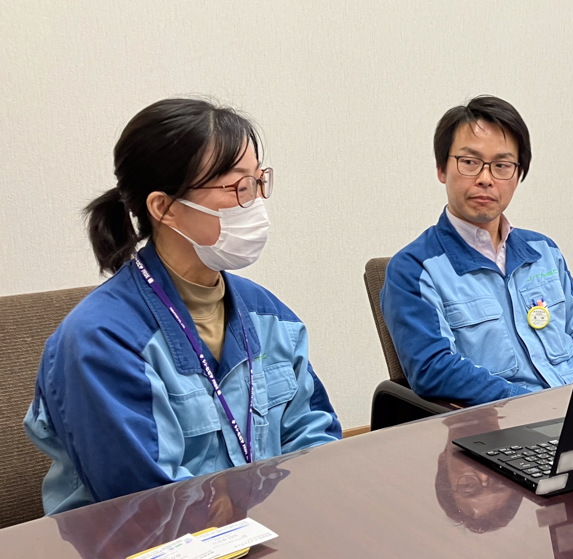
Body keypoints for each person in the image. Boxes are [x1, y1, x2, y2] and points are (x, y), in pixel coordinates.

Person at [24, 98, 341, 514]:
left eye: (257, 182)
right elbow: (147, 507)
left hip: (267, 531)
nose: (255, 203)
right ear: (165, 208)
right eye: (237, 188)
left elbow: (315, 444)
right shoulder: (100, 342)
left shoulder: (270, 316)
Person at [381, 95, 573, 406]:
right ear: (442, 169)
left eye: (502, 165)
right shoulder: (414, 269)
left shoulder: (544, 251)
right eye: (470, 162)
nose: (485, 179)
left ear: (518, 174)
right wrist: (531, 405)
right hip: (504, 422)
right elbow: (435, 370)